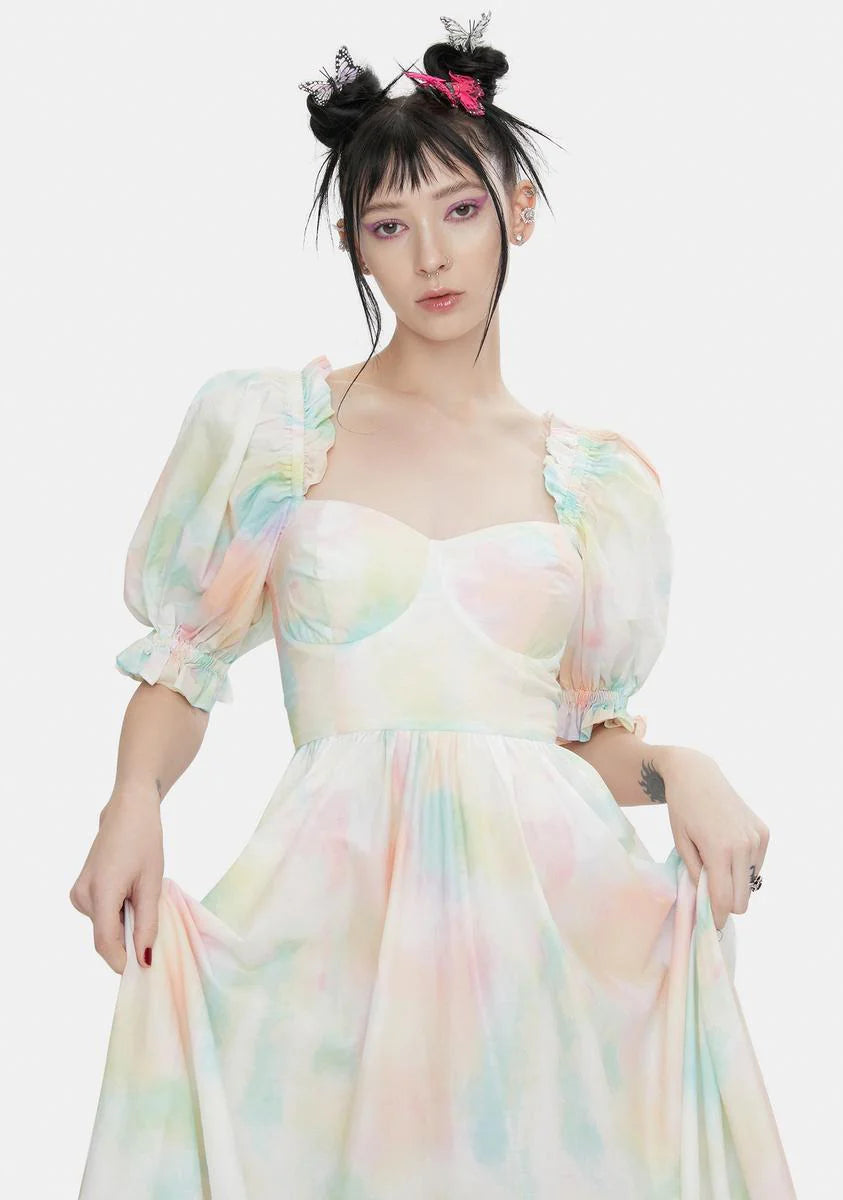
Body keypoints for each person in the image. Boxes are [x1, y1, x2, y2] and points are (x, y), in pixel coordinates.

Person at [72, 15, 796, 1198]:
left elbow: (575, 744)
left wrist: (684, 770)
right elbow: (185, 661)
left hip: (543, 952)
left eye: (461, 210)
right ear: (355, 247)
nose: (431, 257)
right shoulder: (275, 433)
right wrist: (132, 801)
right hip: (334, 933)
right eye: (389, 226)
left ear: (520, 210)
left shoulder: (594, 483)